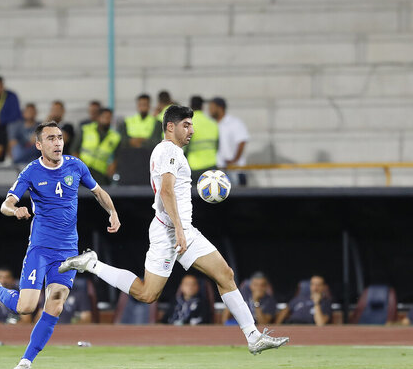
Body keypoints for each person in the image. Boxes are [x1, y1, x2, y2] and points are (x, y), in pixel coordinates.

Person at [60, 105, 288, 355]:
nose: (191, 130)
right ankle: (91, 264)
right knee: (148, 294)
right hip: (169, 231)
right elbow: (166, 190)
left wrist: (183, 229)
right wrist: (179, 230)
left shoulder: (172, 151)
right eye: (186, 125)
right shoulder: (169, 150)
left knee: (225, 274)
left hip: (183, 229)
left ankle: (252, 336)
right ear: (171, 127)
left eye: (191, 124)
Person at [0, 120, 121, 369]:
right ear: (39, 145)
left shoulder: (76, 165)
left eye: (60, 137)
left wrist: (113, 212)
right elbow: (5, 204)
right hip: (41, 248)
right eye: (50, 138)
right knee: (26, 307)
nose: (57, 142)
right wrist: (14, 209)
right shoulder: (31, 172)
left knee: (55, 305)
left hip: (68, 252)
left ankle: (25, 364)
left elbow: (98, 191)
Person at [75, 108, 121, 185]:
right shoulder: (86, 130)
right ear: (98, 117)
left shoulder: (115, 137)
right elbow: (74, 150)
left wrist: (112, 167)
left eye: (109, 118)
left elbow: (117, 156)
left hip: (101, 173)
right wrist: (77, 167)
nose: (106, 120)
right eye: (104, 117)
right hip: (83, 169)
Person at [210, 97, 249, 186]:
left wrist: (234, 160)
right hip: (218, 172)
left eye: (212, 108)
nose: (210, 111)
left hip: (235, 171)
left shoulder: (234, 123)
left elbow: (242, 142)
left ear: (220, 108)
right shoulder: (211, 124)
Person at [186, 95, 219, 179]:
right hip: (212, 166)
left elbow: (184, 146)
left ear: (190, 106)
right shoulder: (213, 123)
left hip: (194, 167)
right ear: (202, 106)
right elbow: (218, 146)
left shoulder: (188, 123)